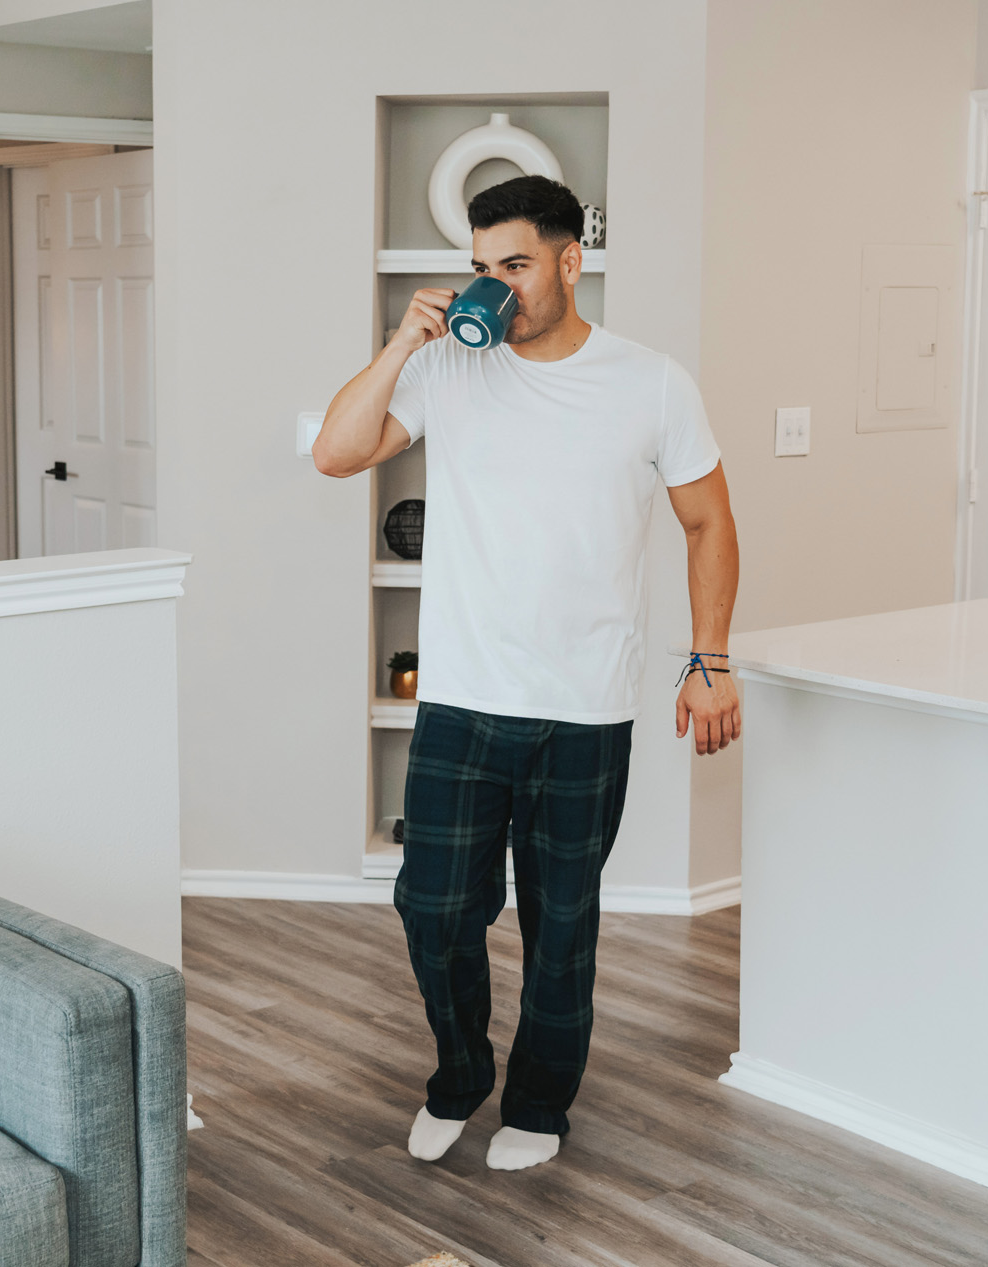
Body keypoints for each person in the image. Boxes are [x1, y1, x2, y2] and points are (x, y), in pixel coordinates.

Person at [313, 175, 741, 1172]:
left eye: (513, 265)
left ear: (566, 259)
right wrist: (398, 345)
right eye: (480, 268)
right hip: (461, 698)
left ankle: (538, 1105)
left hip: (583, 707)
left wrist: (708, 659)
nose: (494, 287)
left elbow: (708, 521)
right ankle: (459, 1074)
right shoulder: (447, 372)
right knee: (435, 910)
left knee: (562, 924)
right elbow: (337, 454)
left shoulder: (652, 382)